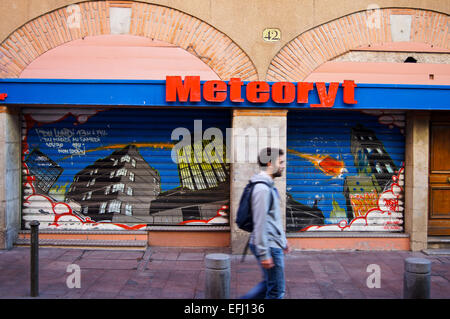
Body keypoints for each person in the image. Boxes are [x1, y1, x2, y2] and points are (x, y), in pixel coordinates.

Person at [241, 147, 290, 299]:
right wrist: (264, 254)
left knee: (268, 285)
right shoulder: (262, 188)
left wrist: (283, 240)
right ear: (270, 163)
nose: (283, 165)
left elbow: (272, 219)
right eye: (280, 162)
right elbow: (260, 222)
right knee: (277, 291)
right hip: (268, 245)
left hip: (273, 242)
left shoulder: (268, 185)